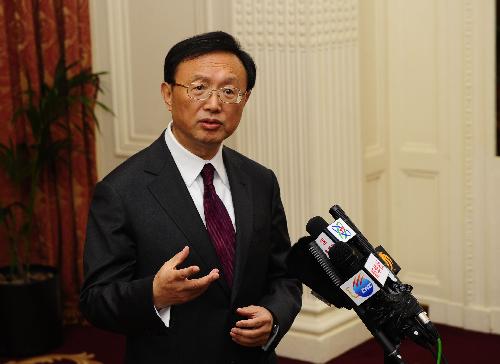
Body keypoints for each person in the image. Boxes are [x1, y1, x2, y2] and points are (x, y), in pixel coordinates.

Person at [80, 31, 302, 364]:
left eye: (229, 91)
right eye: (198, 88)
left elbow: (284, 274)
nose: (214, 104)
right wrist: (153, 294)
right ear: (168, 94)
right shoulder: (121, 190)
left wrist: (274, 315)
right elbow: (96, 300)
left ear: (245, 99)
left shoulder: (259, 181)